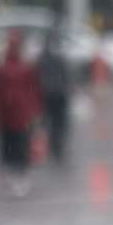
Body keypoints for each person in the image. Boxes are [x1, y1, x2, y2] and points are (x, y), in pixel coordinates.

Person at [0, 32, 42, 197]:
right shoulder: (17, 67)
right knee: (17, 144)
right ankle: (16, 174)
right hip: (14, 114)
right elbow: (33, 90)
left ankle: (15, 173)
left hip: (13, 114)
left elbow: (33, 89)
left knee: (13, 144)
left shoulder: (7, 67)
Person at [37, 31, 73, 164]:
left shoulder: (41, 58)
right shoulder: (60, 58)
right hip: (59, 94)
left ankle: (51, 146)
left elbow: (37, 76)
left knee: (47, 122)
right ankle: (56, 146)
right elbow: (66, 76)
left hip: (46, 94)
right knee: (59, 123)